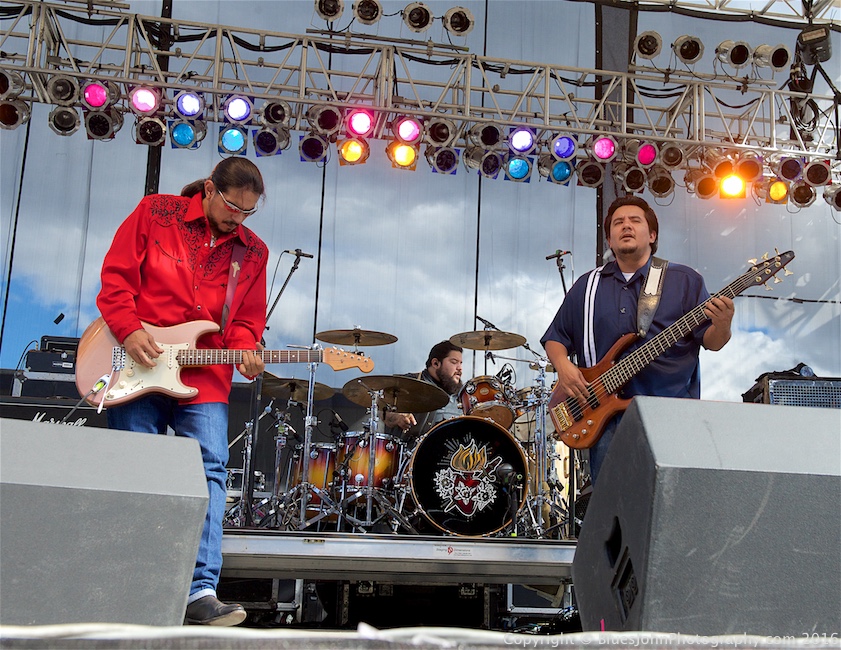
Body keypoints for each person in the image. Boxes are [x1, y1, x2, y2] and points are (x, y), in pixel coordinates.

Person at [96, 157, 269, 626]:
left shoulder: (253, 252)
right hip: (139, 361)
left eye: (248, 212)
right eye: (233, 206)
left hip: (204, 375)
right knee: (138, 465)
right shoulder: (156, 212)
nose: (239, 218)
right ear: (210, 189)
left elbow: (247, 320)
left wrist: (247, 350)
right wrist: (130, 330)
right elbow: (115, 278)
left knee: (210, 470)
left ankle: (199, 591)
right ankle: (133, 579)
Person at [541, 195, 734, 485]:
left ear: (652, 235)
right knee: (613, 504)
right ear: (609, 238)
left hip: (671, 413)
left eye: (635, 221)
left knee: (669, 501)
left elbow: (712, 341)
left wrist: (723, 324)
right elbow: (556, 337)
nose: (626, 226)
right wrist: (563, 368)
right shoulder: (588, 285)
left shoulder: (684, 280)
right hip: (606, 417)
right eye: (618, 223)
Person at [383, 340, 464, 438]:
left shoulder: (461, 394)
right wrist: (397, 417)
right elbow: (383, 411)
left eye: (461, 363)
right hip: (409, 451)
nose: (460, 368)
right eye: (454, 362)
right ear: (435, 363)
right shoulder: (408, 383)